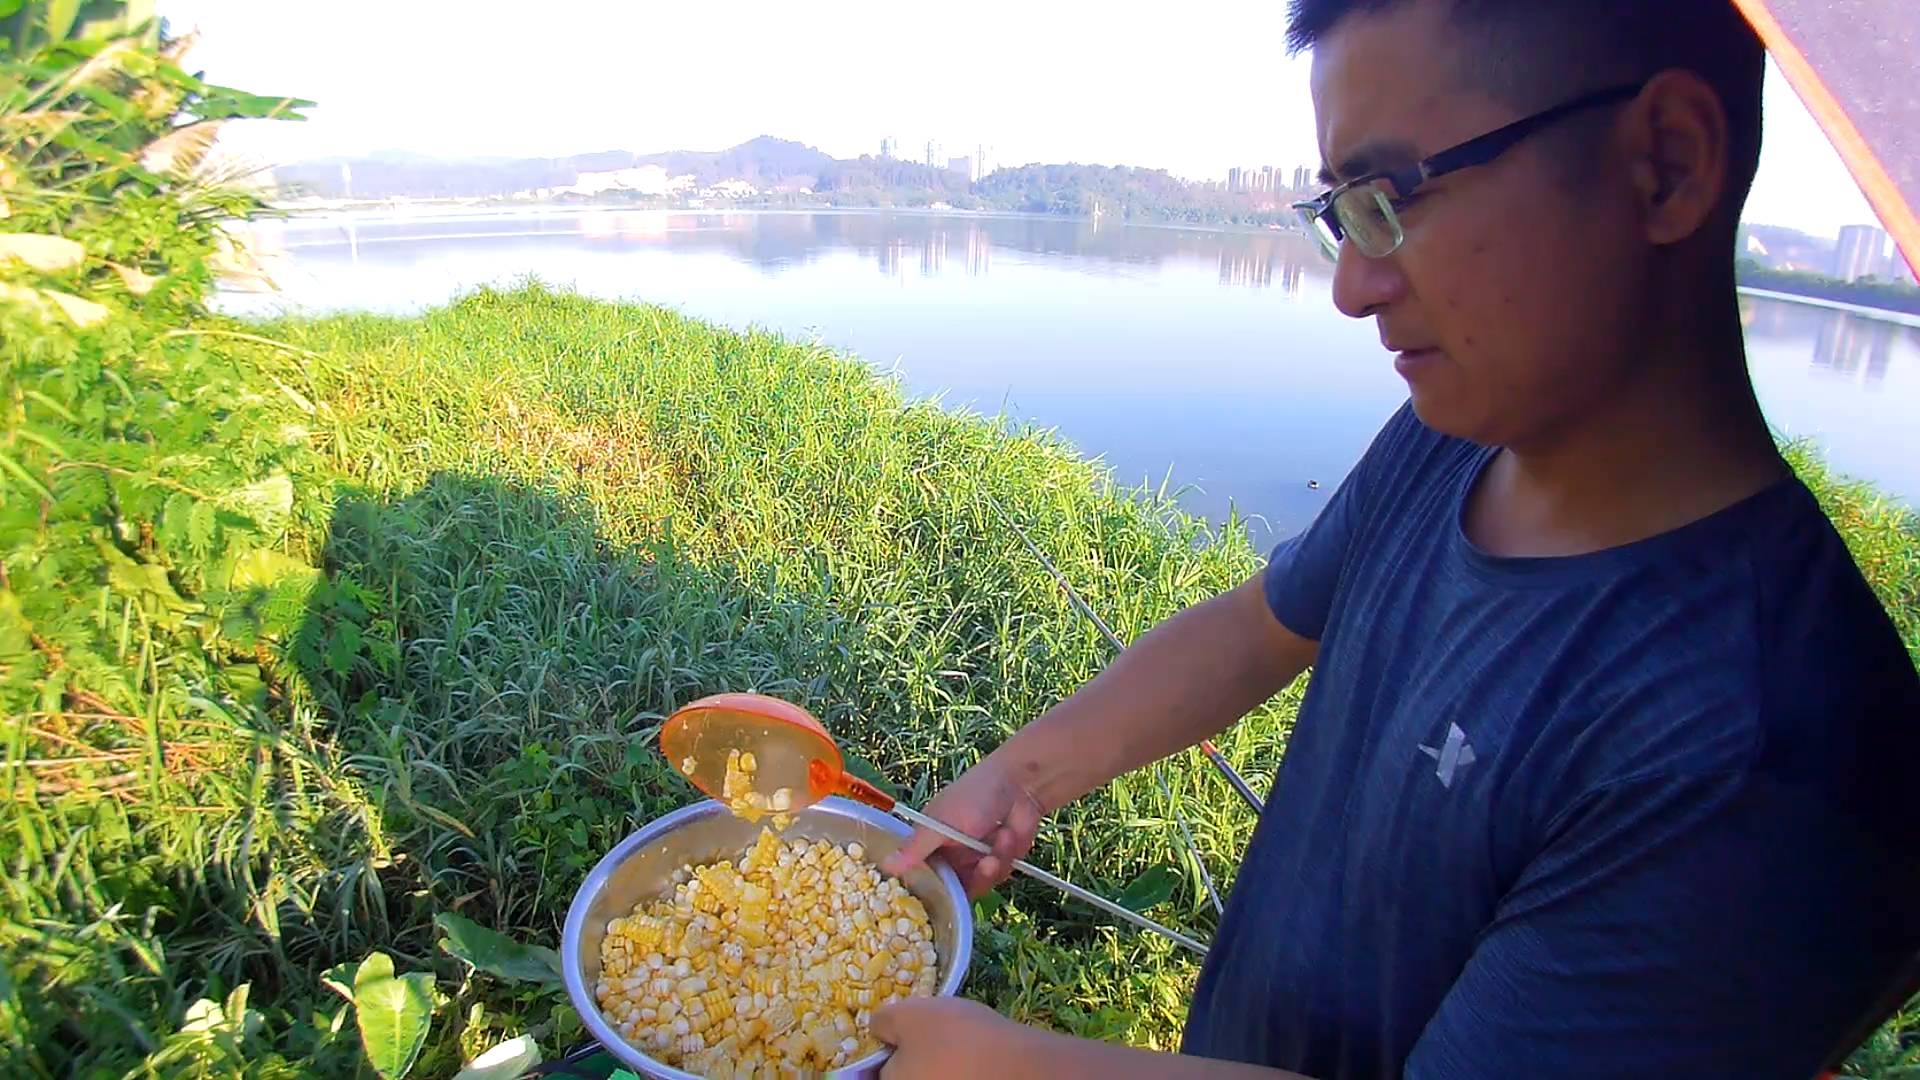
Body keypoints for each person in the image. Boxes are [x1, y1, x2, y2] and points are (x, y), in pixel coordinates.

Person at [868, 0, 1920, 1077]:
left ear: (1665, 162)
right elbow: (1262, 627)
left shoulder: (1763, 760)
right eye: (1341, 212)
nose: (1352, 287)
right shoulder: (1459, 435)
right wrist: (1022, 775)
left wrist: (1014, 1069)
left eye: (1391, 199)